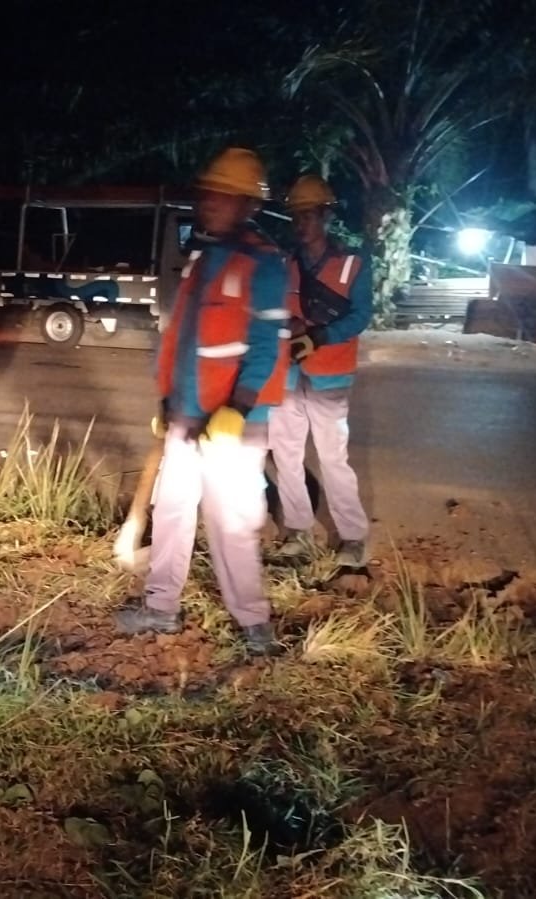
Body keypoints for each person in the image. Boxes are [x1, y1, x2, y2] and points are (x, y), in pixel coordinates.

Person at [113, 147, 290, 654]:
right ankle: (160, 608)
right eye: (207, 194)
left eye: (223, 196)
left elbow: (267, 345)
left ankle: (254, 625)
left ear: (247, 206)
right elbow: (183, 339)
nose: (209, 203)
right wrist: (169, 399)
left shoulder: (264, 264)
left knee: (230, 523)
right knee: (171, 511)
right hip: (188, 415)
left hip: (231, 423)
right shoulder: (205, 258)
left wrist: (238, 406)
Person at [269, 174, 374, 568]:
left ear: (327, 215)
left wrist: (320, 334)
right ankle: (298, 531)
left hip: (330, 374)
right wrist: (290, 328)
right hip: (289, 372)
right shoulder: (286, 263)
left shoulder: (353, 263)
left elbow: (362, 314)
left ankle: (352, 538)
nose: (301, 223)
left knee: (332, 458)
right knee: (287, 454)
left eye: (309, 214)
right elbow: (275, 310)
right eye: (296, 215)